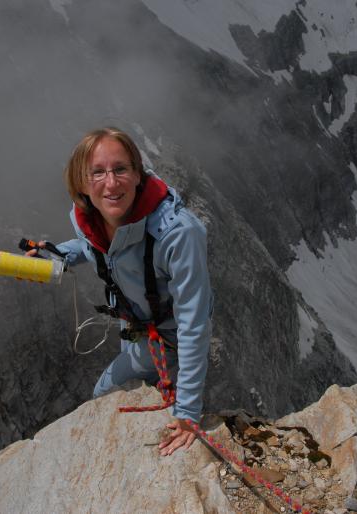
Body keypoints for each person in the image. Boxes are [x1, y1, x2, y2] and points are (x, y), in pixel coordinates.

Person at [32, 127, 213, 456]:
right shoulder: (93, 219)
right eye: (97, 172)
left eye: (121, 169)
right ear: (82, 184)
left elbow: (194, 324)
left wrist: (188, 415)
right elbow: (96, 248)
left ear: (138, 175)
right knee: (114, 395)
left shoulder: (179, 234)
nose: (111, 183)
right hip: (136, 331)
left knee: (105, 393)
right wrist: (60, 255)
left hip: (167, 341)